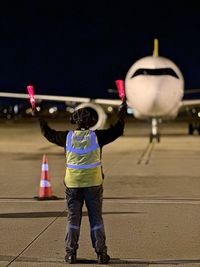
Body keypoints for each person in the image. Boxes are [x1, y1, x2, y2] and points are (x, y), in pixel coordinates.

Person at [38, 99, 127, 264]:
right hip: (93, 184)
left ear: (75, 122)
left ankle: (71, 254)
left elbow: (47, 133)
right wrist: (122, 110)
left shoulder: (67, 137)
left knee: (73, 219)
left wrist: (39, 116)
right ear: (91, 122)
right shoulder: (97, 137)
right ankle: (101, 254)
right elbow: (117, 130)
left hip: (73, 185)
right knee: (96, 219)